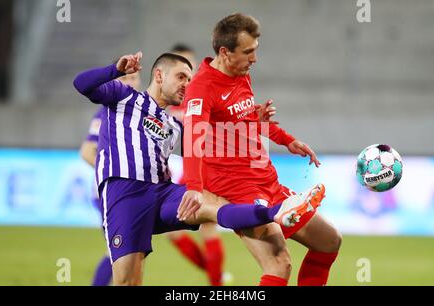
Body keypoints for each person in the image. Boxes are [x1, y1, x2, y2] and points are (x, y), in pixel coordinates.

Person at [73, 51, 321, 285]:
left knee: (215, 204)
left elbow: (218, 132)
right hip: (125, 193)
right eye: (181, 77)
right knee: (128, 281)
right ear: (159, 75)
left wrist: (258, 122)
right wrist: (114, 70)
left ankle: (276, 212)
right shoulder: (124, 96)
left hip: (162, 193)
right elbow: (81, 83)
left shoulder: (174, 123)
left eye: (190, 80)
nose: (186, 84)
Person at [179, 13, 341, 286]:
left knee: (329, 241)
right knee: (279, 264)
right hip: (236, 190)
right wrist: (194, 186)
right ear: (224, 52)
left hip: (265, 180)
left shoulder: (241, 74)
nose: (254, 59)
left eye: (256, 50)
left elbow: (247, 122)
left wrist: (285, 139)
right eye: (248, 52)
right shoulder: (202, 87)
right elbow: (192, 140)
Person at [166, 43, 227, 286]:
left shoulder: (204, 93)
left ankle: (216, 281)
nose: (185, 73)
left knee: (207, 228)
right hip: (190, 169)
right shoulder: (173, 101)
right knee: (179, 231)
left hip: (206, 168)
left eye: (188, 67)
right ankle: (216, 277)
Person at [80, 73, 141, 286]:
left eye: (135, 78)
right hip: (111, 192)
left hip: (133, 192)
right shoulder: (105, 111)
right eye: (126, 79)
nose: (131, 83)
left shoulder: (139, 111)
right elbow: (87, 151)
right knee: (120, 253)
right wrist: (116, 172)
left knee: (134, 254)